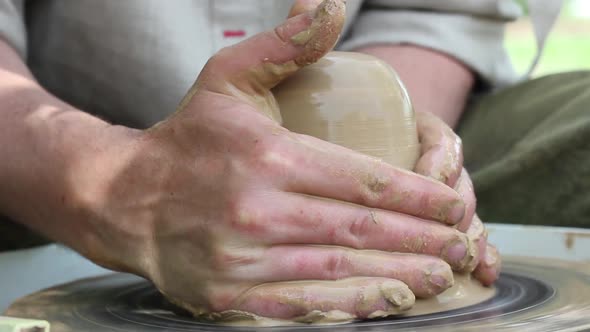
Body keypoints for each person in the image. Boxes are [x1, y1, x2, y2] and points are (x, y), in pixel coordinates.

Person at [0, 0, 586, 320]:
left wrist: (383, 162)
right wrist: (119, 185)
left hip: (414, 92)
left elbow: (438, 14)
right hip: (55, 146)